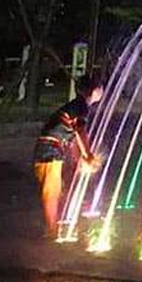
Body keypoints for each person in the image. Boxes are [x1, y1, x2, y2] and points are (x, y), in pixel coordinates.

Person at [34, 86, 102, 238]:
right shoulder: (81, 106)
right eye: (101, 88)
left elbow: (73, 139)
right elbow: (80, 130)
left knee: (57, 191)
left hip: (51, 148)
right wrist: (88, 155)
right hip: (49, 149)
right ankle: (51, 231)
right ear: (95, 90)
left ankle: (54, 226)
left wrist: (80, 160)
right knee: (52, 192)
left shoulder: (76, 106)